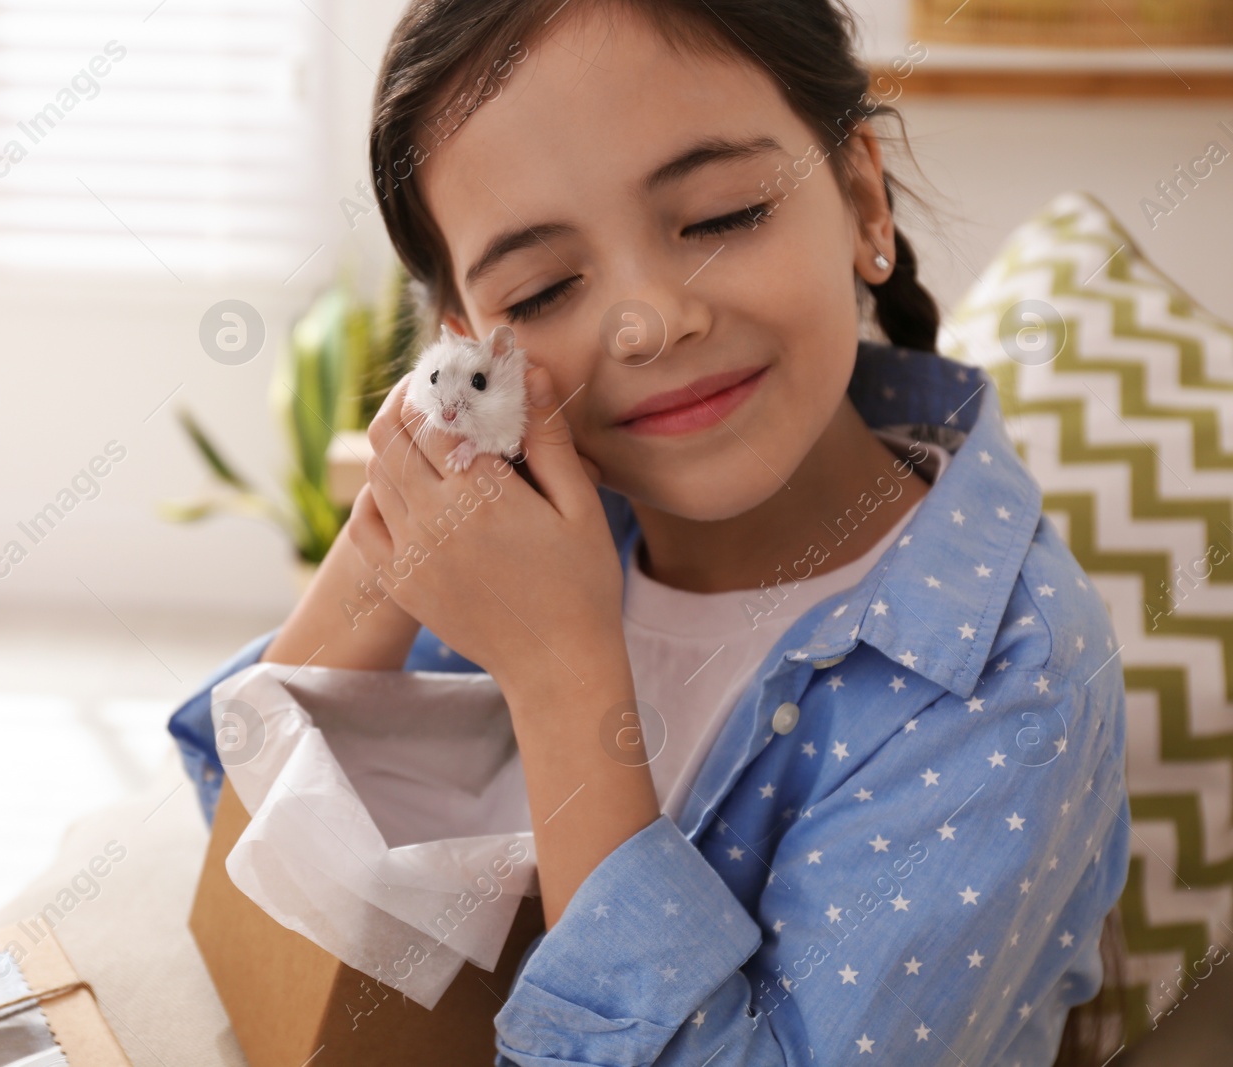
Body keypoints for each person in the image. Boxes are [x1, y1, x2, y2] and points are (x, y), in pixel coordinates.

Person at [168, 2, 1130, 1063]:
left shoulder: (1004, 675)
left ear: (861, 198)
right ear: (471, 343)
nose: (650, 320)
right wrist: (410, 512)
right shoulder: (548, 521)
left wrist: (561, 673)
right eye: (543, 288)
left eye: (720, 216)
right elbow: (249, 835)